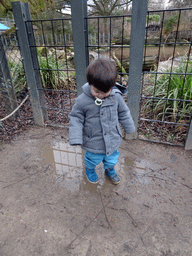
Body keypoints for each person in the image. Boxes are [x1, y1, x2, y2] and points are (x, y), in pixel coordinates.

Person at [69, 57, 135, 185]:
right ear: (90, 83)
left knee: (112, 158)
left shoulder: (116, 97)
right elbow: (76, 117)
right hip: (93, 140)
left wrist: (129, 127)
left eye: (105, 92)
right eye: (97, 91)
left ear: (111, 86)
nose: (101, 95)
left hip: (112, 138)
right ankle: (89, 169)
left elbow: (124, 112)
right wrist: (76, 137)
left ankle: (110, 169)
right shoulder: (83, 100)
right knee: (92, 158)